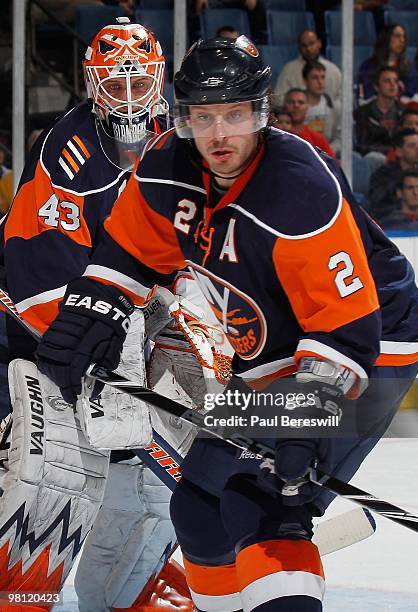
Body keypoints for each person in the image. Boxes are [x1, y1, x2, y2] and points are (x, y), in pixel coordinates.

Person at [34, 37, 418, 612]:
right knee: (198, 508)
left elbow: (347, 329)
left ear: (260, 114)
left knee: (262, 506)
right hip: (269, 359)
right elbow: (129, 253)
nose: (219, 134)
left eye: (235, 115)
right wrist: (87, 317)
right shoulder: (170, 164)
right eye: (203, 117)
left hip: (369, 351)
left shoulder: (299, 190)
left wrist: (307, 417)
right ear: (183, 117)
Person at [0, 18, 196, 612]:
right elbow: (39, 278)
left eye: (142, 81)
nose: (132, 95)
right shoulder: (70, 151)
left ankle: (131, 587)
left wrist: (185, 319)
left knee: (169, 454)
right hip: (32, 331)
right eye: (118, 82)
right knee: (54, 457)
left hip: (126, 321)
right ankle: (19, 586)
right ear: (93, 84)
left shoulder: (179, 145)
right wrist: (106, 349)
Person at [368, 128, 418, 221]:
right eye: (412, 146)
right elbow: (378, 205)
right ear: (399, 151)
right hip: (392, 223)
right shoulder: (383, 175)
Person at [275, 29, 342, 105]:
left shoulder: (333, 70)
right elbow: (278, 100)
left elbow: (342, 99)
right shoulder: (288, 70)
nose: (308, 49)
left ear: (319, 43)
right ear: (299, 47)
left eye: (311, 44)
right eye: (304, 45)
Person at [357, 23, 418, 102]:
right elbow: (367, 92)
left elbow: (412, 92)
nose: (402, 40)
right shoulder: (369, 66)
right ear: (386, 38)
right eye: (397, 36)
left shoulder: (409, 67)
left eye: (404, 37)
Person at [354, 65, 403, 162]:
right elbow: (362, 145)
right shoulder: (363, 112)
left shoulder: (403, 111)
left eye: (395, 81)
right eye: (387, 81)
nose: (392, 85)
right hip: (371, 160)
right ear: (376, 86)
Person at [283, 87, 336, 157]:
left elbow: (332, 165)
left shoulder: (318, 140)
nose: (296, 105)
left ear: (307, 107)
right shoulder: (275, 136)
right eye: (291, 102)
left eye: (301, 102)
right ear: (284, 106)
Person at [303, 60, 341, 153]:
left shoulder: (335, 106)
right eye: (315, 78)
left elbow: (340, 137)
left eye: (323, 77)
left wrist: (327, 151)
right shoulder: (296, 105)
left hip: (328, 153)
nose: (320, 82)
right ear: (305, 81)